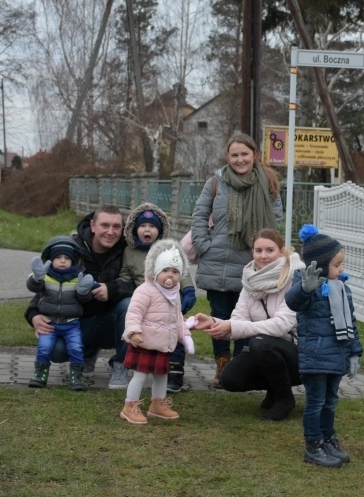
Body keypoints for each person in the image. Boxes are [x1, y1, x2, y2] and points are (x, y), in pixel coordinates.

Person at [190, 133, 284, 389]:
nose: (240, 159)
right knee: (219, 316)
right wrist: (204, 245)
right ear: (227, 157)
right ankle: (222, 366)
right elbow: (199, 215)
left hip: (254, 265)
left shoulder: (268, 182)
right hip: (218, 262)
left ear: (254, 154)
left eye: (245, 154)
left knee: (247, 319)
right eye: (235, 155)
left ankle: (240, 369)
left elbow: (275, 223)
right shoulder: (216, 183)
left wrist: (267, 255)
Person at [191, 228, 305, 420]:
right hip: (268, 348)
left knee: (260, 343)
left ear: (282, 251)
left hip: (300, 353)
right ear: (252, 252)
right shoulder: (250, 279)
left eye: (270, 250)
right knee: (229, 379)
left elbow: (282, 325)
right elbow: (238, 319)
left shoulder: (294, 278)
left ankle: (285, 398)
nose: (263, 256)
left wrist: (233, 327)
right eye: (258, 250)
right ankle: (275, 390)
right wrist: (214, 322)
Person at [25, 205, 135, 390]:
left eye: (116, 227)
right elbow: (47, 285)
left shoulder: (128, 250)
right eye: (104, 225)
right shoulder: (71, 249)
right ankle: (88, 353)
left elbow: (143, 284)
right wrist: (33, 315)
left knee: (129, 304)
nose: (111, 232)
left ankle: (120, 365)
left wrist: (113, 289)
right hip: (76, 324)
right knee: (56, 351)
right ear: (92, 225)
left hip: (113, 320)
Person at [285, 224, 363, 468]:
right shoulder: (308, 287)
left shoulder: (342, 289)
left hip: (337, 356)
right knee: (316, 402)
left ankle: (328, 439)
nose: (342, 269)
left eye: (342, 265)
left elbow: (351, 322)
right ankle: (313, 444)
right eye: (337, 265)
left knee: (331, 401)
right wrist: (306, 288)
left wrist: (354, 352)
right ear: (319, 265)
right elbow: (293, 302)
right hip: (316, 357)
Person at [119, 203, 198, 393]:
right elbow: (125, 275)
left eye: (153, 226)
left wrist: (188, 290)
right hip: (146, 302)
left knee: (174, 332)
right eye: (143, 226)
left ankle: (175, 371)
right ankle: (144, 369)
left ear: (160, 230)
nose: (148, 230)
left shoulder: (169, 249)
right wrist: (123, 288)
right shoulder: (130, 252)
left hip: (170, 300)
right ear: (134, 229)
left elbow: (183, 271)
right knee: (150, 337)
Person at [119, 240, 195, 425]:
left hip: (163, 343)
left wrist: (184, 334)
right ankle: (130, 406)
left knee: (162, 374)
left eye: (175, 272)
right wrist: (133, 331)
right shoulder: (146, 290)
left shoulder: (175, 293)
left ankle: (158, 404)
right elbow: (134, 312)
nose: (171, 275)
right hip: (144, 341)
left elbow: (177, 317)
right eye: (166, 271)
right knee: (140, 374)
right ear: (155, 271)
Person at [26, 236, 95, 391]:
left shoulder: (78, 278)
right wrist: (36, 279)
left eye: (67, 258)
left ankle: (76, 377)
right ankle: (40, 375)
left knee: (76, 348)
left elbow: (85, 300)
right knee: (44, 347)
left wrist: (84, 292)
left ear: (74, 261)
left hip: (71, 323)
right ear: (50, 259)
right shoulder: (45, 276)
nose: (63, 261)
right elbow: (33, 288)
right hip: (49, 323)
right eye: (58, 257)